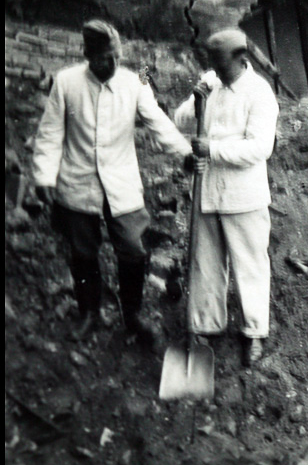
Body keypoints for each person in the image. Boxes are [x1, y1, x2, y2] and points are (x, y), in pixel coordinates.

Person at [32, 19, 194, 346]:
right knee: (83, 252)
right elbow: (50, 134)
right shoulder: (66, 83)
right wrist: (44, 176)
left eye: (117, 57)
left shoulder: (133, 83)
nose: (113, 64)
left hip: (121, 184)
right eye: (106, 57)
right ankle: (89, 313)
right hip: (78, 182)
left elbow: (158, 123)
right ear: (88, 55)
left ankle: (132, 316)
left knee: (133, 248)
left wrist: (185, 151)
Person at [174, 28, 279, 367]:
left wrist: (214, 149)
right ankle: (205, 326)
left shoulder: (259, 93)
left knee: (249, 265)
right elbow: (180, 119)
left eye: (221, 66)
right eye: (213, 66)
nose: (216, 71)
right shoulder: (210, 83)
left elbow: (261, 148)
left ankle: (254, 333)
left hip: (244, 195)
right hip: (206, 190)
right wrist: (196, 100)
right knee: (206, 263)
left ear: (240, 59)